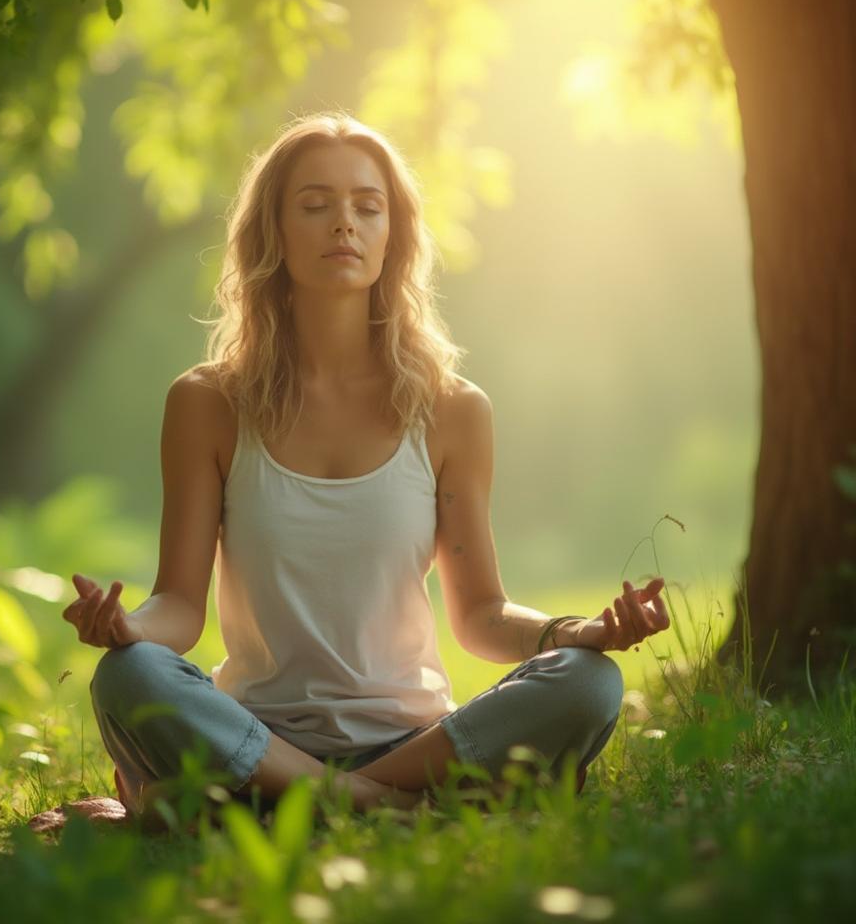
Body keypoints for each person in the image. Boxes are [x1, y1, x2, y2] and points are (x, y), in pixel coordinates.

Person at [62, 111, 671, 823]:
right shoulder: (208, 403)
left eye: (367, 206)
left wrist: (578, 634)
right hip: (260, 736)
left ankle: (259, 807)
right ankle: (399, 809)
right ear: (275, 235)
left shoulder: (453, 409)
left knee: (590, 684)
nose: (343, 224)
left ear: (393, 236)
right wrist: (130, 630)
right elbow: (180, 608)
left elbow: (480, 616)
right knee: (129, 677)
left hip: (414, 739)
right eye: (315, 206)